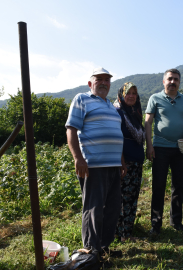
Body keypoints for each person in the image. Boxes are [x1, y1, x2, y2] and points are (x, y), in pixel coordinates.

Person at [65, 67, 127, 258]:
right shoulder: (82, 99)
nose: (103, 82)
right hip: (93, 165)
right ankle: (92, 250)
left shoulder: (112, 106)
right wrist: (78, 158)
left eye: (106, 80)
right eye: (98, 79)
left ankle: (104, 247)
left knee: (113, 208)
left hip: (113, 166)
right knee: (94, 208)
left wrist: (122, 160)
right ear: (90, 83)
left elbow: (117, 135)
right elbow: (71, 129)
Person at [145, 68, 183, 235]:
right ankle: (156, 224)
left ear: (179, 82)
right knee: (158, 186)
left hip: (180, 149)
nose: (173, 82)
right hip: (160, 147)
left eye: (176, 79)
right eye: (170, 79)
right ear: (164, 81)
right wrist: (149, 145)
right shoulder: (155, 98)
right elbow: (148, 123)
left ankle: (176, 221)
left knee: (179, 186)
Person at [113, 82, 145, 242]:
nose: (132, 96)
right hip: (125, 163)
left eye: (134, 93)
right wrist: (121, 162)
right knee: (123, 198)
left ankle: (128, 231)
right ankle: (121, 234)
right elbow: (116, 139)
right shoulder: (118, 113)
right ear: (121, 94)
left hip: (137, 163)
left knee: (132, 198)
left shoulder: (135, 113)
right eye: (128, 93)